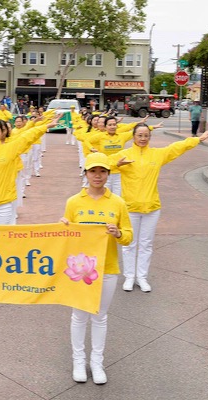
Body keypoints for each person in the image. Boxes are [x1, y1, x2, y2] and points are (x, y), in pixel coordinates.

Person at [110, 125, 208, 292]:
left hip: (152, 207)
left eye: (146, 135)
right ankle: (129, 277)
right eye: (139, 135)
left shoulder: (156, 155)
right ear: (133, 137)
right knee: (129, 244)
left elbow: (176, 148)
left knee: (146, 244)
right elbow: (105, 162)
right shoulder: (124, 155)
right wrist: (116, 163)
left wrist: (197, 139)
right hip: (129, 208)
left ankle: (142, 277)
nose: (143, 138)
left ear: (149, 137)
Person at [60, 152, 133, 385]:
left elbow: (129, 237)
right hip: (80, 271)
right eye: (93, 171)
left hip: (107, 267)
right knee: (79, 316)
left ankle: (97, 362)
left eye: (102, 171)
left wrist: (118, 233)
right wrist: (63, 228)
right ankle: (78, 361)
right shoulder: (74, 202)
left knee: (100, 317)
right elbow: (66, 236)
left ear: (108, 174)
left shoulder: (117, 202)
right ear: (86, 174)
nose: (98, 176)